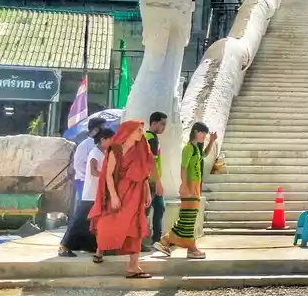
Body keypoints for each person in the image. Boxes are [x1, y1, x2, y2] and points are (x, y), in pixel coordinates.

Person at [88, 120, 153, 278]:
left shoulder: (141, 148)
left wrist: (148, 192)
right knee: (107, 221)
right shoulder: (115, 150)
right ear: (129, 132)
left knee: (136, 226)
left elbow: (144, 175)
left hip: (136, 194)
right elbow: (108, 175)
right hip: (119, 193)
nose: (142, 133)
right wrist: (114, 196)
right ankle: (100, 250)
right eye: (138, 130)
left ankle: (133, 266)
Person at [154, 122, 218, 259]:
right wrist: (184, 185)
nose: (204, 136)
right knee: (188, 217)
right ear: (196, 132)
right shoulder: (188, 148)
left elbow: (204, 154)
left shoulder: (196, 148)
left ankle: (167, 240)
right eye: (203, 133)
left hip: (194, 186)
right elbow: (183, 167)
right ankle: (190, 246)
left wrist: (212, 141)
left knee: (188, 217)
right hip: (189, 186)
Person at [59, 127, 114, 257]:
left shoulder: (104, 152)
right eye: (111, 139)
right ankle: (64, 246)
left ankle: (89, 245)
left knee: (91, 222)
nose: (113, 141)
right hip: (91, 194)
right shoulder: (95, 153)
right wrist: (107, 176)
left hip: (98, 193)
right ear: (103, 140)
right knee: (79, 220)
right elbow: (94, 171)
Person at [71, 118, 108, 211]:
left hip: (96, 180)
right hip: (83, 181)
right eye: (103, 128)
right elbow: (78, 165)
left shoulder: (101, 144)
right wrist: (89, 175)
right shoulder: (85, 145)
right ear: (95, 130)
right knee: (85, 209)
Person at [144, 112, 167, 251]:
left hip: (152, 181)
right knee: (145, 211)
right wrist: (157, 182)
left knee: (159, 208)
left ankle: (156, 239)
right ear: (154, 123)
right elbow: (151, 161)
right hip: (150, 182)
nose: (164, 127)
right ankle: (144, 241)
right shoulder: (151, 138)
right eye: (162, 124)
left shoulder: (150, 137)